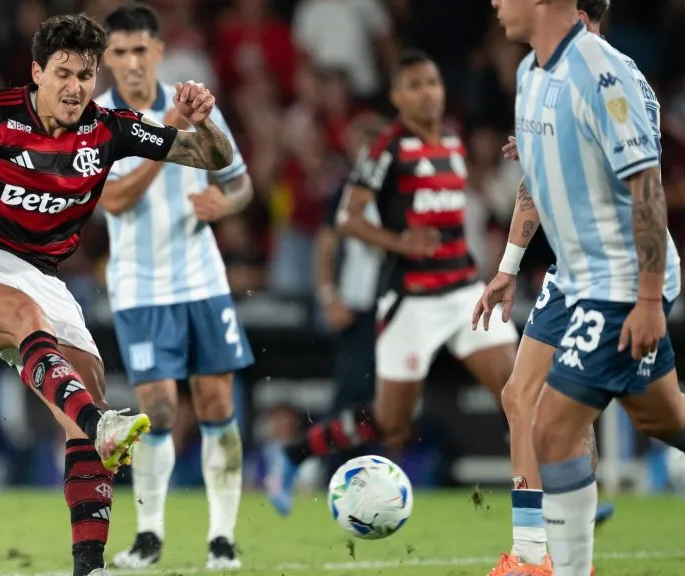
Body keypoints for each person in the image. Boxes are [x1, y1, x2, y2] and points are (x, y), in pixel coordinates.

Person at [0, 14, 235, 576]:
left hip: (45, 277)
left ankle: (89, 564)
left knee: (86, 393)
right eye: (64, 73)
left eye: (86, 75)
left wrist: (205, 121)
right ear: (37, 73)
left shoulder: (109, 129)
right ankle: (102, 424)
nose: (76, 87)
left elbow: (210, 157)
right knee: (31, 325)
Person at [263, 50, 519, 515]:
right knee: (390, 422)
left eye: (433, 83)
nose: (427, 93)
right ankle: (293, 453)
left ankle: (557, 497)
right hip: (412, 300)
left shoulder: (453, 142)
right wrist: (400, 241)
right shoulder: (387, 148)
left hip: (464, 291)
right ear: (398, 96)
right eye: (414, 85)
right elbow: (347, 218)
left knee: (517, 394)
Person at [488, 0, 684, 574]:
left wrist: (648, 298)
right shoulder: (530, 74)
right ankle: (534, 554)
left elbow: (647, 189)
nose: (495, 3)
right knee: (655, 417)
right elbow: (536, 180)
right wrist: (508, 265)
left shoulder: (606, 75)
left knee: (554, 424)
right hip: (574, 274)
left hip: (621, 276)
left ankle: (548, 564)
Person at [95, 3, 254, 570]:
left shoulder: (195, 104)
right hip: (139, 287)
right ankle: (150, 535)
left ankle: (222, 538)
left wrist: (224, 203)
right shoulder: (98, 120)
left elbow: (239, 181)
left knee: (216, 403)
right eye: (120, 52)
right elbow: (114, 200)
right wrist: (165, 133)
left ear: (159, 51)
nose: (132, 62)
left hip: (201, 278)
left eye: (141, 49)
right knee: (158, 411)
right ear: (107, 59)